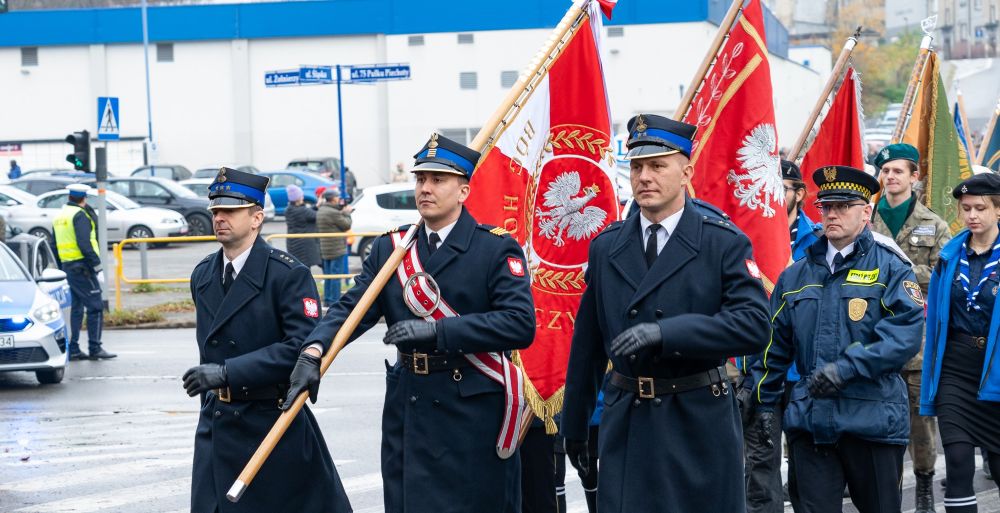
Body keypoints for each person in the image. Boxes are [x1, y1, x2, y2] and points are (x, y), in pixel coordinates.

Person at [283, 133, 536, 513]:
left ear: (464, 191)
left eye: (438, 180)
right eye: (421, 179)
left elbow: (519, 324)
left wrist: (439, 331)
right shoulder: (392, 248)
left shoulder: (494, 248)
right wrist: (314, 351)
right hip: (410, 405)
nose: (426, 188)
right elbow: (352, 309)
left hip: (471, 407)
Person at [561, 113, 771, 512]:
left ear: (686, 171)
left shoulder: (721, 241)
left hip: (696, 417)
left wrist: (668, 333)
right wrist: (575, 425)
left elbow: (754, 325)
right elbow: (588, 345)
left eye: (658, 166)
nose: (644, 177)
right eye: (637, 167)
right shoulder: (607, 247)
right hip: (630, 421)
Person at [752, 165, 924, 513]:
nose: (832, 214)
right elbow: (774, 345)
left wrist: (846, 369)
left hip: (872, 420)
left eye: (843, 206)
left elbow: (903, 337)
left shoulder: (891, 267)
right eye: (826, 207)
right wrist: (763, 403)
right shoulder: (796, 274)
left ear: (865, 211)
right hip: (812, 421)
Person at [182, 167, 350, 513]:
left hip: (270, 424)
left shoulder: (287, 275)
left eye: (230, 210)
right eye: (215, 211)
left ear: (257, 217)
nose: (220, 218)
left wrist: (229, 372)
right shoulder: (202, 275)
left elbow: (302, 348)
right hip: (218, 424)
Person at [871, 143, 952, 511]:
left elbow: (943, 275)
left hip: (918, 340)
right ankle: (883, 486)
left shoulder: (933, 224)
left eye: (897, 171)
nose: (890, 177)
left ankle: (923, 484)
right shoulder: (866, 219)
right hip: (873, 335)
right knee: (876, 416)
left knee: (920, 421)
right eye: (885, 171)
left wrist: (896, 270)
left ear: (913, 177)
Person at [738, 158, 820, 513]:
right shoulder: (745, 237)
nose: (772, 196)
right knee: (760, 468)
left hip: (804, 373)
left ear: (799, 194)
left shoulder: (818, 241)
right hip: (761, 370)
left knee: (808, 470)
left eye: (781, 188)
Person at [921, 173, 1000, 513]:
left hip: (996, 370)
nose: (972, 216)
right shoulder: (950, 256)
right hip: (956, 366)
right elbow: (937, 322)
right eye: (966, 208)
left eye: (980, 208)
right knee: (956, 461)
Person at [52, 183, 115, 361]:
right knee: (95, 306)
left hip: (68, 267)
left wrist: (60, 267)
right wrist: (98, 267)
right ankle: (95, 348)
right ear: (84, 198)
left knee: (77, 309)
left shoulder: (60, 216)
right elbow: (85, 244)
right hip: (83, 268)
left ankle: (73, 349)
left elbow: (54, 244)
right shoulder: (79, 215)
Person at [316, 189, 352, 307]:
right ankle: (334, 301)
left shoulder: (321, 209)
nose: (339, 199)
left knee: (328, 276)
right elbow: (346, 225)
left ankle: (327, 299)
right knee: (336, 276)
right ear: (333, 198)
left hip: (325, 248)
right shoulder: (333, 213)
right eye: (337, 197)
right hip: (336, 248)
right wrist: (347, 213)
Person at [283, 184, 321, 270]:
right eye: (301, 195)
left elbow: (308, 212)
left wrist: (316, 206)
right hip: (303, 246)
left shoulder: (289, 209)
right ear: (298, 198)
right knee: (305, 270)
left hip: (294, 244)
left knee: (299, 269)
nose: (303, 197)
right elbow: (316, 215)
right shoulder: (301, 211)